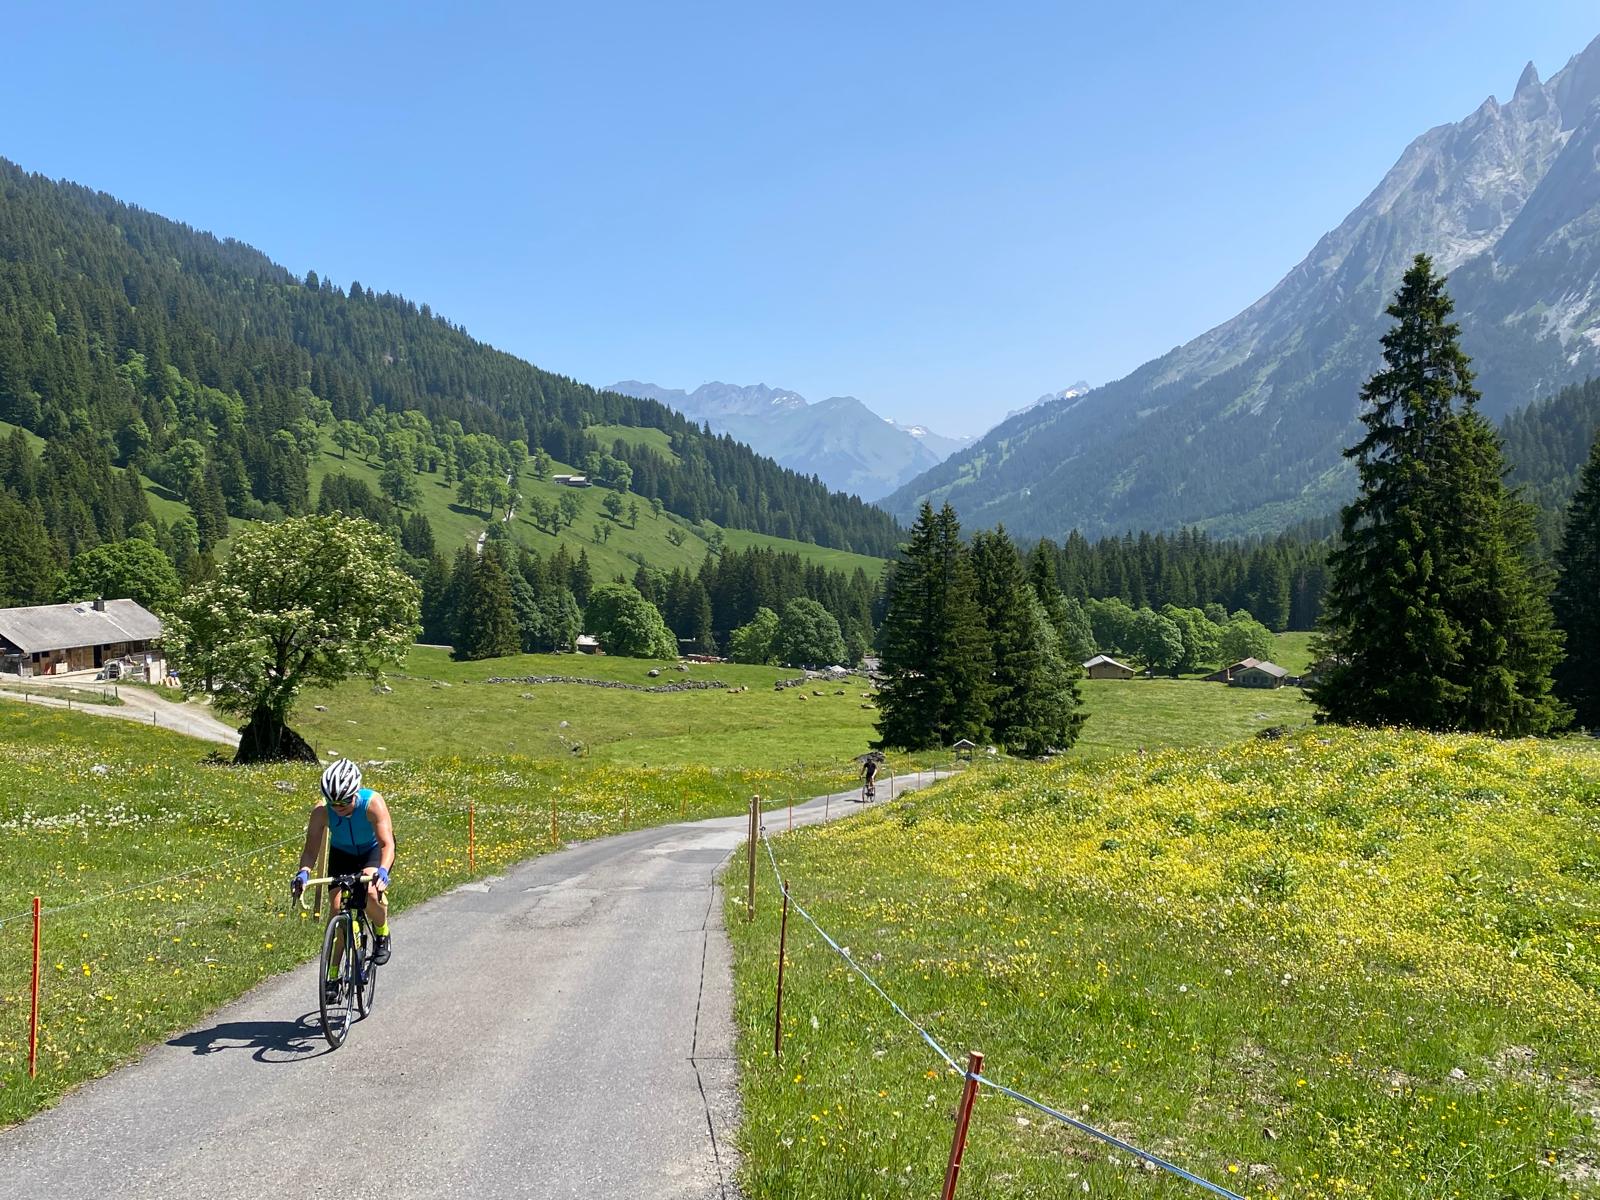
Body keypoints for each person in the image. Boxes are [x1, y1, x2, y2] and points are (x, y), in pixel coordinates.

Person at [291, 759, 395, 998]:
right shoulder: (321, 811)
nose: (339, 808)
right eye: (333, 803)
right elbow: (310, 851)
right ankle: (333, 975)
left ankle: (382, 932)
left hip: (371, 853)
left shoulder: (373, 803)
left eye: (345, 801)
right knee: (337, 910)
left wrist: (383, 870)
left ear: (355, 792)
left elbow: (387, 844)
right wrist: (304, 872)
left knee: (369, 892)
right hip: (342, 855)